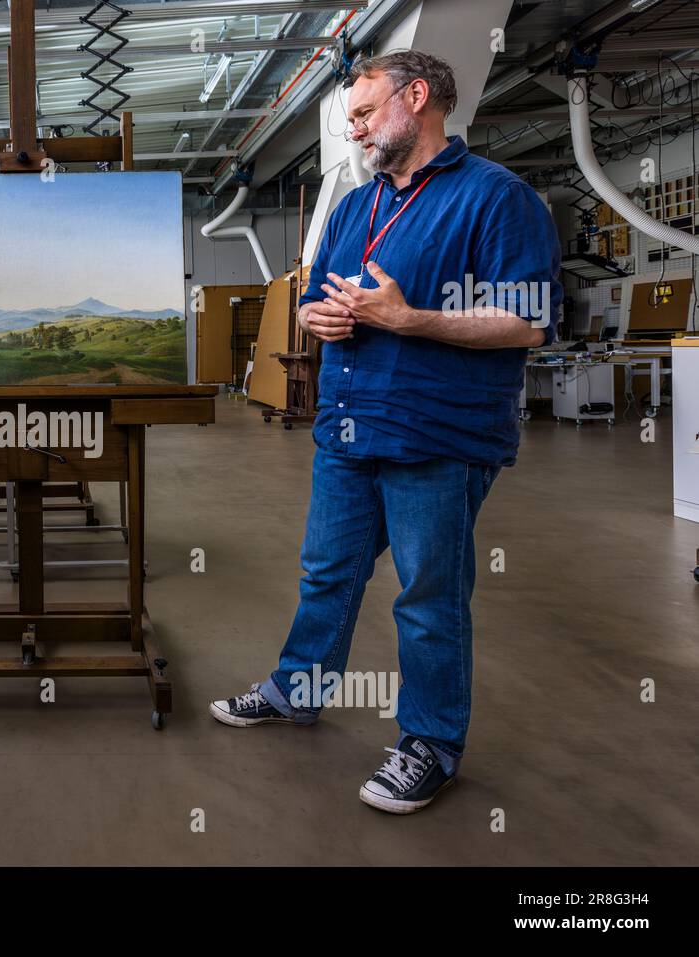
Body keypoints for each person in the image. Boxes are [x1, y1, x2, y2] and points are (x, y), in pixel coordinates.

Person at [209, 51, 562, 813]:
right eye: (353, 122)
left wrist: (409, 319)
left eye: (366, 114)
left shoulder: (498, 200)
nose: (357, 130)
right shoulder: (354, 208)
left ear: (419, 97)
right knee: (326, 574)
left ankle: (430, 743)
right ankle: (297, 690)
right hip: (347, 430)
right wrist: (318, 318)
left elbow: (528, 322)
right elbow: (314, 301)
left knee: (428, 597)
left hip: (437, 438)